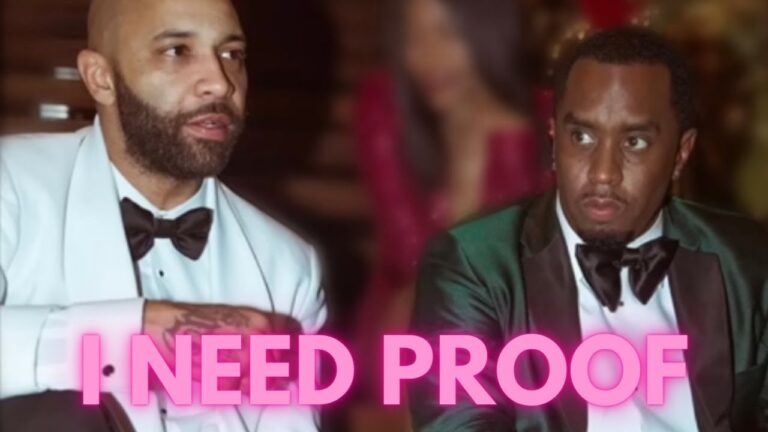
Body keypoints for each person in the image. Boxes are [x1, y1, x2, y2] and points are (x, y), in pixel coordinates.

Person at [409, 27, 768, 431]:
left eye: (634, 142)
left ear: (681, 153)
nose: (602, 173)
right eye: (581, 136)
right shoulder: (474, 264)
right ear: (553, 137)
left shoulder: (747, 261)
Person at [0, 0, 326, 431]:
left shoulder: (290, 267)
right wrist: (132, 335)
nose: (220, 83)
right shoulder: (11, 184)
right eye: (177, 51)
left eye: (232, 54)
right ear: (100, 78)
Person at [352, 0, 552, 399]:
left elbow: (531, 274)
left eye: (447, 34)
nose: (427, 57)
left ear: (486, 32)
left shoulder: (548, 122)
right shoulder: (386, 109)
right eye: (413, 38)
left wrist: (506, 143)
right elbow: (415, 260)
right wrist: (467, 155)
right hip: (405, 335)